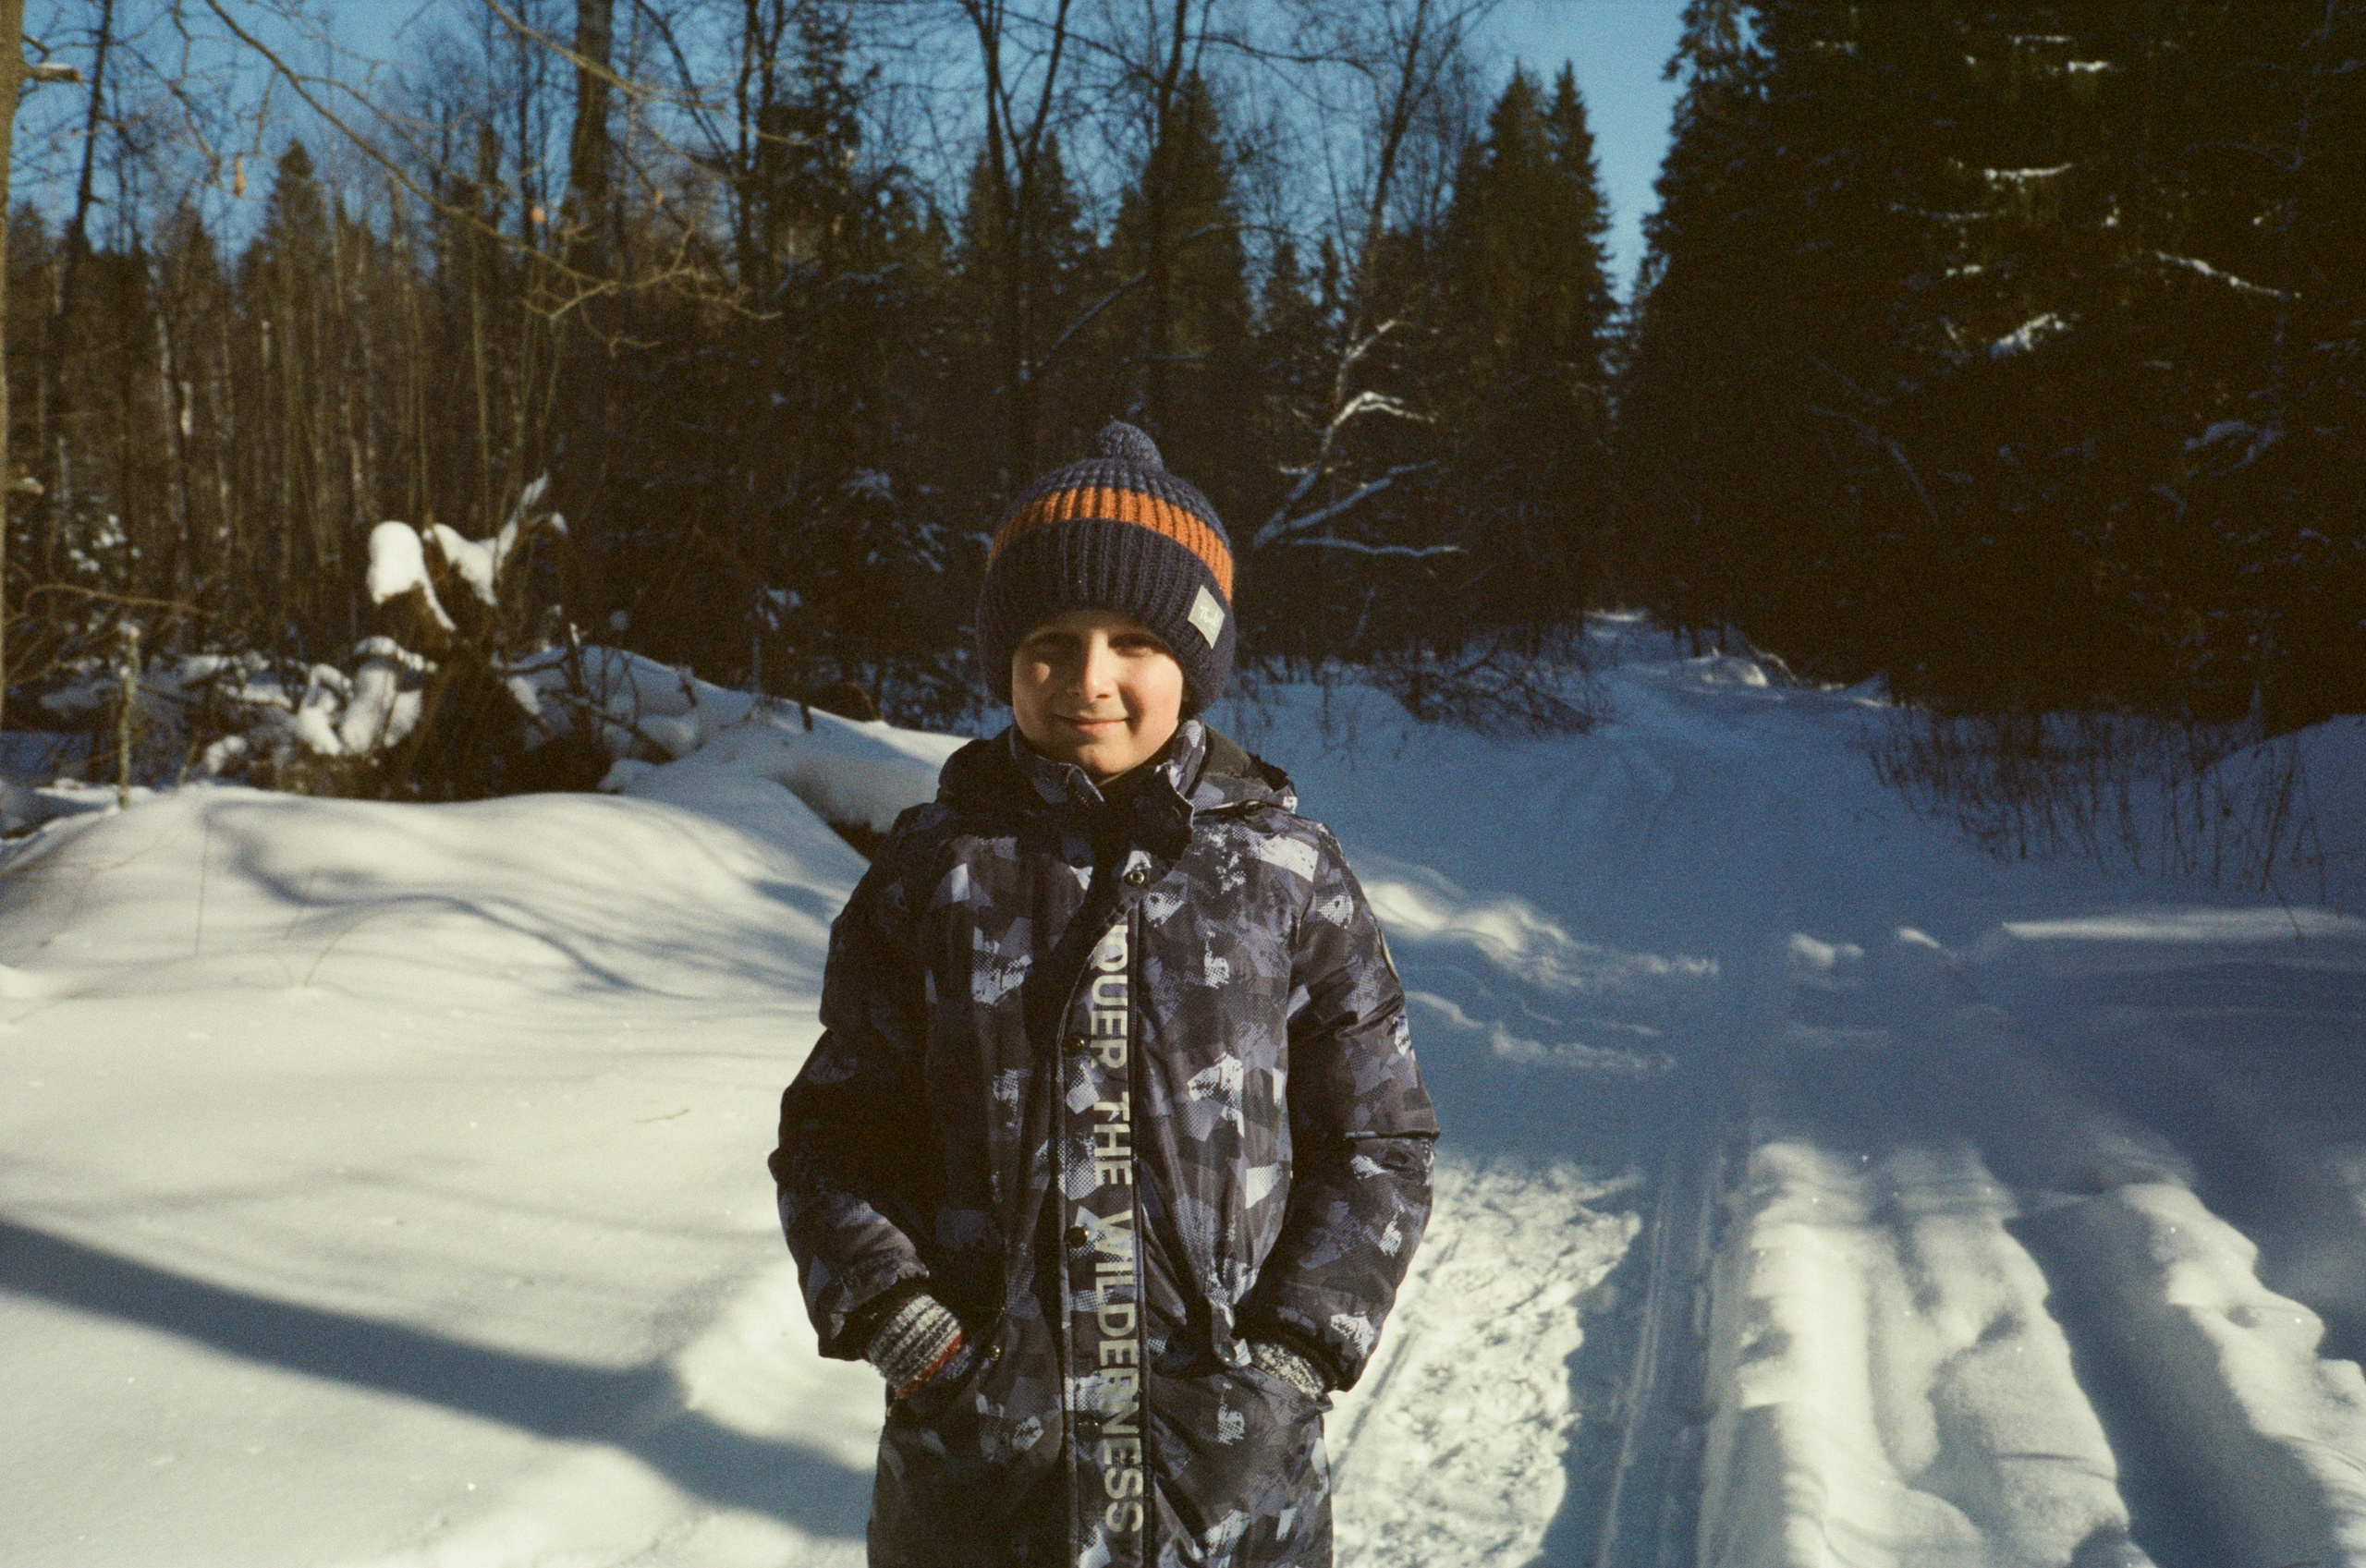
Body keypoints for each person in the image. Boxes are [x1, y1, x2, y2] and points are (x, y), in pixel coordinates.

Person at [770, 421, 1438, 1568]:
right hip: (979, 1485)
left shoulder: (1287, 872)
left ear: (1198, 660)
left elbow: (1377, 1137)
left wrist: (1289, 1357)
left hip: (1231, 1482)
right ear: (1005, 659)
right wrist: (911, 1333)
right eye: (1050, 640)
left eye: (1134, 639)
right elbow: (834, 1136)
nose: (1090, 677)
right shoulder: (932, 874)